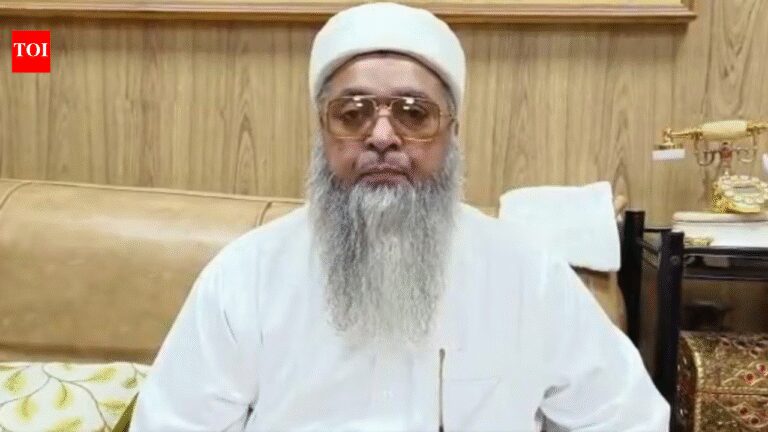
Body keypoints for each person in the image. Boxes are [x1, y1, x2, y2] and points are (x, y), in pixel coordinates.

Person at [129, 2, 669, 430]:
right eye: (353, 113)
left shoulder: (528, 274)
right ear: (323, 132)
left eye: (414, 113)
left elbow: (629, 419)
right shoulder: (247, 274)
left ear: (452, 132)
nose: (383, 136)